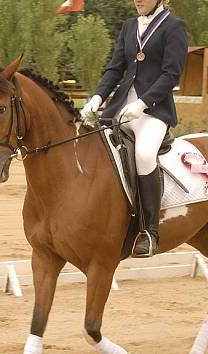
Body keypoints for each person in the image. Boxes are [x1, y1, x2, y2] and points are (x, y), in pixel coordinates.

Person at [80, 0, 188, 257]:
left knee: (143, 154)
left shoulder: (174, 27)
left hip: (153, 112)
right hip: (119, 109)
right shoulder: (129, 26)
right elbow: (116, 68)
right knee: (89, 144)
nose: (136, 0)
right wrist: (97, 97)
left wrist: (143, 103)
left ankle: (149, 231)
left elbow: (171, 75)